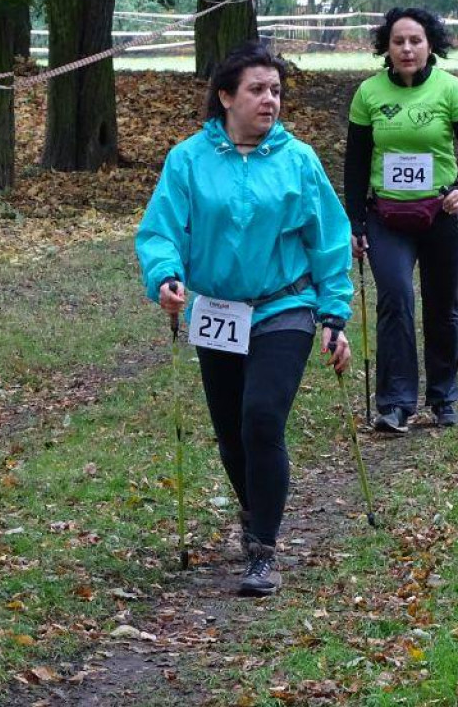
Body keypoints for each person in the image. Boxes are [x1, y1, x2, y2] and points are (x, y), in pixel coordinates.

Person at [135, 42, 354, 597]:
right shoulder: (188, 159)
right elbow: (162, 228)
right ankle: (256, 511)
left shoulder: (298, 160)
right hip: (219, 312)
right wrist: (165, 275)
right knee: (232, 435)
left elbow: (328, 239)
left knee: (261, 418)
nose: (270, 100)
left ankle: (262, 548)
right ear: (226, 96)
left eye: (276, 90)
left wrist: (334, 312)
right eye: (257, 89)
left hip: (285, 306)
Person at [344, 7, 458, 434]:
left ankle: (444, 397)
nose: (407, 49)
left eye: (415, 41)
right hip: (386, 216)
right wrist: (355, 222)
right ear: (385, 48)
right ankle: (394, 403)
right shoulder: (368, 94)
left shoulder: (451, 89)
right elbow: (355, 165)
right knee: (396, 298)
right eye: (398, 42)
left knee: (443, 307)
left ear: (431, 45)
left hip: (442, 214)